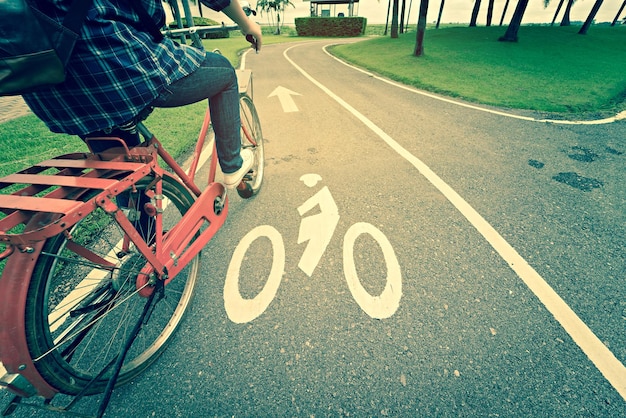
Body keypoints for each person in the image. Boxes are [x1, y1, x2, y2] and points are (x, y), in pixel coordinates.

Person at [23, 0, 263, 189]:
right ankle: (232, 165)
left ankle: (144, 241)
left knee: (124, 169)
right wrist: (246, 24)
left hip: (51, 89)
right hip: (117, 67)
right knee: (224, 72)